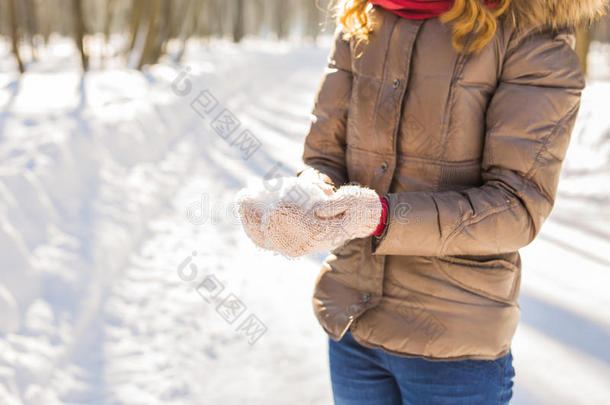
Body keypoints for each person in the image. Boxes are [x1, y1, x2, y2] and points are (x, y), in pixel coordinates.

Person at [237, 0, 606, 403]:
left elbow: (516, 206)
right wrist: (306, 199)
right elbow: (325, 158)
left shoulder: (530, 33)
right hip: (354, 328)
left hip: (454, 351)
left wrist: (381, 217)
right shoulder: (363, 15)